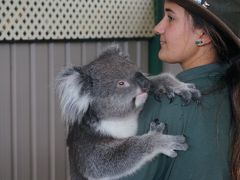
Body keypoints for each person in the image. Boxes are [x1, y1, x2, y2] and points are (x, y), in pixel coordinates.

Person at [120, 0, 240, 179]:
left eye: (170, 17)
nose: (158, 28)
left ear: (203, 34)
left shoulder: (161, 103)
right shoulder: (231, 94)